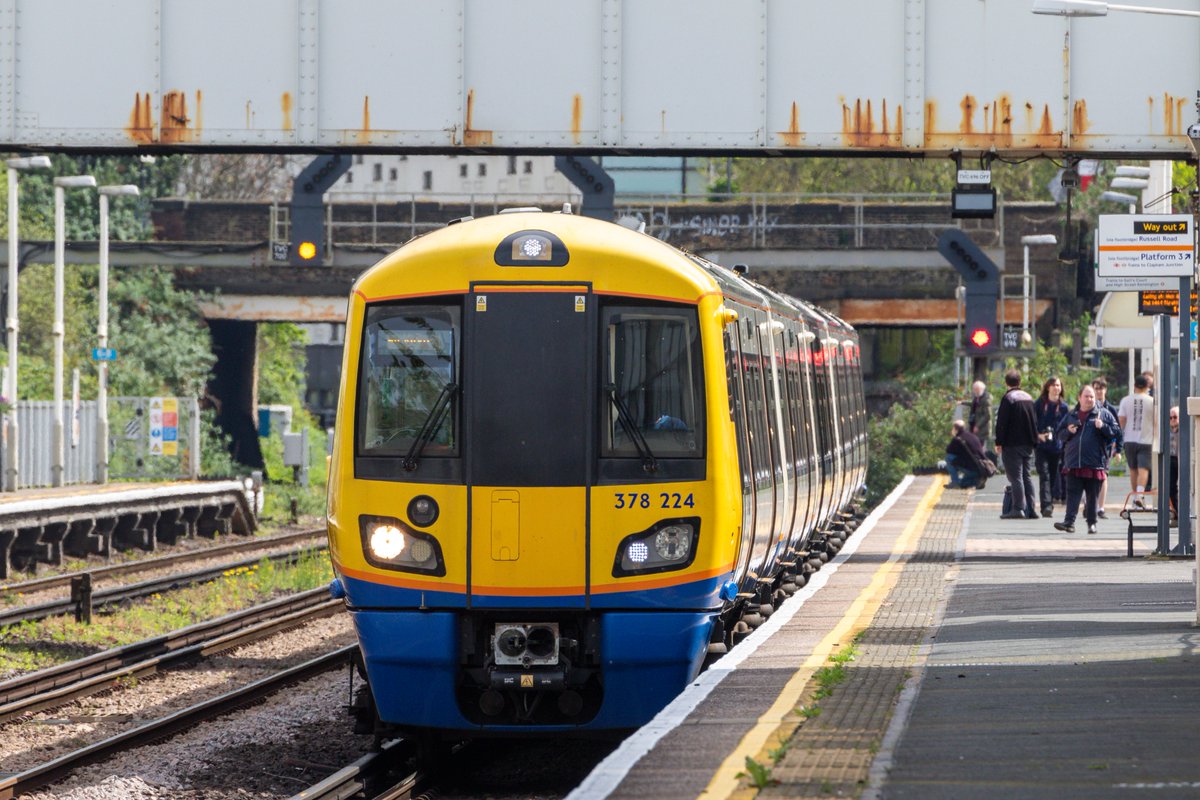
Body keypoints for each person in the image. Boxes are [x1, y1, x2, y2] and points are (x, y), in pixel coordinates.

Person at [1054, 384, 1119, 534]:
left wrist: (1103, 427)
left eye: (1092, 397)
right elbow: (1059, 434)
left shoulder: (1103, 414)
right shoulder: (1072, 415)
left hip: (1094, 463)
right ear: (1079, 398)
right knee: (1073, 495)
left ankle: (1092, 523)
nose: (1090, 399)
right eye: (1087, 396)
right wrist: (1068, 432)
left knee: (1092, 497)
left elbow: (1116, 433)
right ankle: (1069, 522)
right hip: (1074, 462)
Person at [995, 369, 1038, 519]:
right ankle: (1031, 509)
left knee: (1015, 477)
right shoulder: (1028, 398)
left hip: (1012, 444)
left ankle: (1018, 508)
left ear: (1006, 383)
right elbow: (1035, 421)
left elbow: (1002, 423)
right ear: (1020, 382)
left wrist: (998, 442)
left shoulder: (1008, 398)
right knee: (1027, 476)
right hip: (1028, 444)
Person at [1034, 376, 1070, 517]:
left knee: (1054, 477)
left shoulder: (1063, 407)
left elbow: (1067, 426)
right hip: (1042, 446)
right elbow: (1032, 422)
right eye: (1054, 385)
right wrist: (1038, 434)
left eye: (1058, 385)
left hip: (1057, 447)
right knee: (1044, 475)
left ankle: (1050, 502)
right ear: (1048, 387)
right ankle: (1046, 506)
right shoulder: (1040, 404)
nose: (1056, 388)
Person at [1118, 374, 1155, 508]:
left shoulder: (1126, 400)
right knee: (1143, 468)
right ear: (1147, 386)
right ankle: (1140, 494)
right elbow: (1156, 421)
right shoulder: (1151, 401)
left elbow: (1121, 420)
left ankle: (1135, 499)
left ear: (1134, 386)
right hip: (1146, 439)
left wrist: (1117, 436)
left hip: (1129, 439)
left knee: (1133, 469)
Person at [1092, 377, 1122, 519]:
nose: (1099, 391)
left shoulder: (1110, 409)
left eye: (1101, 388)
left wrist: (1118, 450)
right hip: (1090, 448)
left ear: (1105, 390)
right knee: (1089, 476)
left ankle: (1101, 507)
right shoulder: (1087, 406)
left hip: (1106, 448)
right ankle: (1090, 505)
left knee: (1103, 476)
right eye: (1096, 388)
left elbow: (1117, 430)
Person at [945, 419, 990, 489]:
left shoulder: (958, 439)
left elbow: (948, 451)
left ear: (955, 429)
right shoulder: (973, 436)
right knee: (965, 481)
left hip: (973, 469)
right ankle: (977, 480)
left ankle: (956, 482)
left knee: (949, 457)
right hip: (982, 468)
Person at [968, 380, 992, 447]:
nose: (974, 391)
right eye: (974, 389)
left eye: (976, 389)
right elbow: (973, 404)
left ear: (981, 389)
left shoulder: (986, 399)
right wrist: (962, 402)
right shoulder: (977, 397)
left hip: (982, 429)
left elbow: (987, 415)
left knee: (979, 447)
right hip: (974, 425)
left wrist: (978, 426)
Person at [1168, 406, 1180, 523]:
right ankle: (1176, 513)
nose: (1172, 419)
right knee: (1171, 488)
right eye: (1170, 417)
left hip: (1181, 459)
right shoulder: (1167, 430)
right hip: (1171, 459)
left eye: (1175, 417)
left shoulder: (1184, 430)